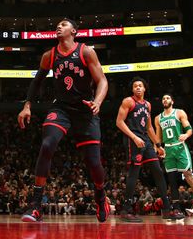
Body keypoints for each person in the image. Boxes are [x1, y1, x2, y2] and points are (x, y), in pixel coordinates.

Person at [17, 19, 110, 223]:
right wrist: (27, 106)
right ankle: (35, 206)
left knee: (94, 163)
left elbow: (102, 80)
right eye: (57, 25)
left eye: (64, 24)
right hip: (61, 108)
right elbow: (37, 81)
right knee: (47, 144)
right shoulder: (49, 56)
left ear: (74, 31)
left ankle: (100, 195)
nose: (59, 27)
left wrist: (98, 101)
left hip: (85, 110)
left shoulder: (86, 52)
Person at [115, 77, 183, 222]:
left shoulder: (148, 105)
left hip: (145, 139)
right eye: (135, 86)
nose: (138, 88)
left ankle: (166, 209)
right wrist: (134, 138)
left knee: (158, 171)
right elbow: (119, 122)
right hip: (132, 138)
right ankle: (125, 210)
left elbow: (149, 127)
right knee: (134, 172)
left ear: (144, 89)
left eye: (140, 86)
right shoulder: (128, 101)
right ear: (132, 90)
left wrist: (158, 145)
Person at [154, 94, 193, 221]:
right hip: (168, 149)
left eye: (167, 98)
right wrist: (157, 148)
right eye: (163, 99)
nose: (165, 100)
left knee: (188, 177)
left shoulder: (179, 113)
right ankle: (177, 208)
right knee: (172, 181)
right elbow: (158, 137)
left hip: (180, 148)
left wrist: (186, 135)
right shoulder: (158, 118)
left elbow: (189, 129)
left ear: (172, 101)